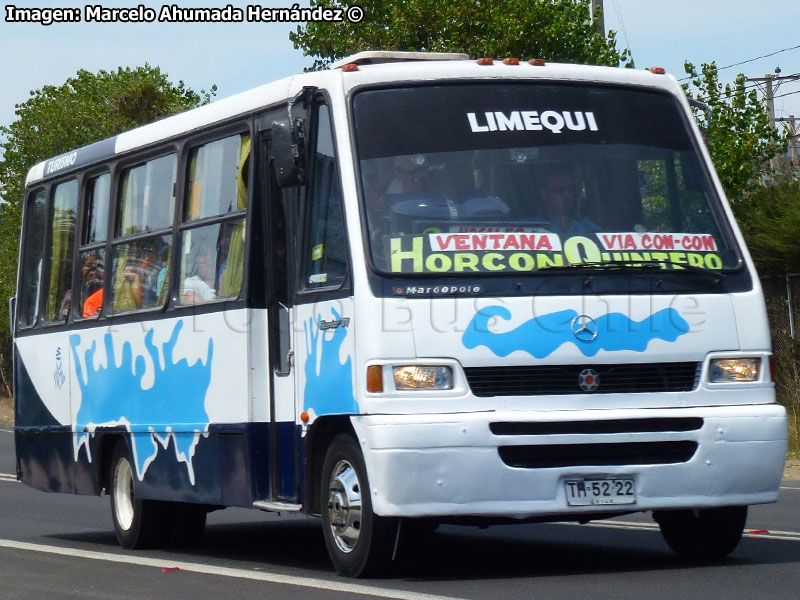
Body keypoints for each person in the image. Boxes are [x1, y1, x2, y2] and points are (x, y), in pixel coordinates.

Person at [535, 166, 599, 234]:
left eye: (569, 189)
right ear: (544, 194)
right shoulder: (531, 226)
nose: (566, 194)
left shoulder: (589, 228)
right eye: (559, 190)